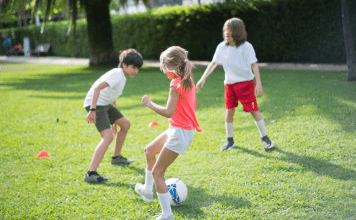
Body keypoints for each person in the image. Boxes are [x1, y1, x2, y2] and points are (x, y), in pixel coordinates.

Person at [135, 46, 202, 220]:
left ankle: (167, 215)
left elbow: (168, 112)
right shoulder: (188, 80)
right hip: (178, 129)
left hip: (179, 133)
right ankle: (147, 192)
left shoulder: (175, 84)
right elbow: (194, 102)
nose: (163, 71)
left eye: (163, 67)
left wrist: (149, 103)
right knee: (149, 151)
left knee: (158, 173)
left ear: (170, 67)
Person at [196, 17, 274, 152]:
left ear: (237, 32)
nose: (226, 32)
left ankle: (266, 139)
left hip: (246, 85)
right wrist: (203, 78)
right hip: (230, 86)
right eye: (225, 29)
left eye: (230, 29)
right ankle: (230, 141)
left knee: (254, 111)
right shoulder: (221, 47)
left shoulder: (246, 46)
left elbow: (254, 65)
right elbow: (213, 63)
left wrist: (258, 84)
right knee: (229, 111)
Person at [83, 49, 143, 183]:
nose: (135, 71)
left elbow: (112, 96)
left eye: (137, 68)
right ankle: (90, 173)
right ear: (124, 64)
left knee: (125, 124)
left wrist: (114, 121)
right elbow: (97, 88)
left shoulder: (122, 77)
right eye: (133, 67)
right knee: (108, 137)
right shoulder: (117, 74)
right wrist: (92, 109)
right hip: (96, 104)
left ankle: (116, 157)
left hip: (105, 104)